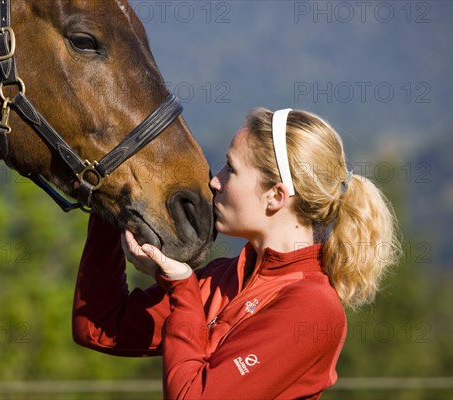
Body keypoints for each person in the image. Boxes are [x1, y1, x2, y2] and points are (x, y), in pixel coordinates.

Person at [72, 108, 401, 399]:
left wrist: (182, 290)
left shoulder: (313, 308)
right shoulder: (223, 278)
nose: (215, 182)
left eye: (230, 169)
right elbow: (99, 326)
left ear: (275, 196)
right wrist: (109, 200)